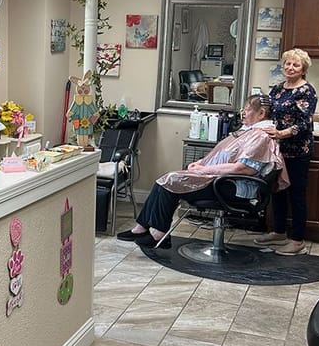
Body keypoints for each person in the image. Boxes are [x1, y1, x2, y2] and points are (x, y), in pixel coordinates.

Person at [117, 94, 290, 249]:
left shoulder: (261, 136)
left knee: (171, 181)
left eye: (247, 110)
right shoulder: (250, 132)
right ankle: (141, 228)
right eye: (243, 110)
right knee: (166, 179)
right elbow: (225, 154)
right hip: (225, 181)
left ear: (261, 114)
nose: (243, 113)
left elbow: (243, 168)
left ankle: (159, 234)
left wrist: (204, 169)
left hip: (235, 187)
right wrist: (201, 162)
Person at [256, 48, 317, 255]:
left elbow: (304, 124)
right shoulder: (278, 89)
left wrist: (281, 134)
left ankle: (298, 239)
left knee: (296, 194)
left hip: (298, 151)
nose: (290, 68)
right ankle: (279, 231)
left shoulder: (306, 91)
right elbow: (269, 112)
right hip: (277, 151)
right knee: (278, 190)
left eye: (295, 65)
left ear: (303, 69)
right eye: (287, 64)